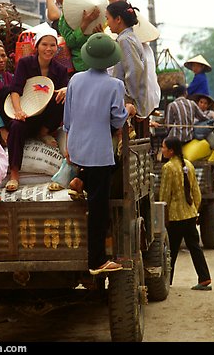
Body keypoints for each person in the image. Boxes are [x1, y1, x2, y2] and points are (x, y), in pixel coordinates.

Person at [63, 32, 132, 274]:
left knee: (95, 181)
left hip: (76, 146)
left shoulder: (75, 80)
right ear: (111, 60)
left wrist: (70, 144)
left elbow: (68, 119)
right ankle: (97, 261)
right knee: (98, 209)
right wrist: (128, 110)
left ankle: (79, 178)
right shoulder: (115, 85)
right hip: (98, 152)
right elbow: (116, 117)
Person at [0, 26, 69, 192]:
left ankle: (42, 133)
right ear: (37, 46)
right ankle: (14, 173)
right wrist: (18, 111)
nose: (49, 49)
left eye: (53, 45)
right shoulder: (25, 63)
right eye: (45, 44)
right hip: (26, 114)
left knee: (62, 98)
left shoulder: (60, 70)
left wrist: (66, 90)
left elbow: (64, 92)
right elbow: (15, 90)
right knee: (16, 126)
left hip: (47, 117)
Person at [159, 136, 212, 290]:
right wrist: (195, 210)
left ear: (171, 150)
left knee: (171, 251)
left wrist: (163, 215)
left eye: (163, 147)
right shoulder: (188, 164)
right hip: (189, 214)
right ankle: (204, 278)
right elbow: (196, 191)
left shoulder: (168, 167)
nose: (161, 150)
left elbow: (164, 194)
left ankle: (167, 282)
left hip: (175, 216)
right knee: (195, 248)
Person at [106, 1, 153, 122]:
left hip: (130, 105)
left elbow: (133, 71)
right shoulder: (130, 37)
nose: (107, 23)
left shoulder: (125, 40)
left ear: (118, 19)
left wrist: (129, 100)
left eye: (108, 18)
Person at [58, 0, 104, 74]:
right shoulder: (66, 16)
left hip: (98, 64)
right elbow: (70, 42)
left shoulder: (101, 11)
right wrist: (85, 24)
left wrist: (100, 35)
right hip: (77, 67)